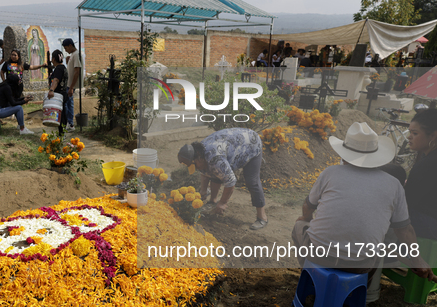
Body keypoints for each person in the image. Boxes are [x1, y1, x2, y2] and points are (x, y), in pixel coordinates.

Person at [292, 122, 434, 281]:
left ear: (344, 154)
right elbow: (405, 230)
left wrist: (306, 218)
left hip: (319, 257)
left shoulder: (330, 173)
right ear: (377, 156)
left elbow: (308, 206)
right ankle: (357, 291)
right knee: (377, 250)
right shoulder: (394, 185)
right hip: (361, 265)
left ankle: (310, 275)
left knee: (299, 226)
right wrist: (417, 260)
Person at [177, 128, 268, 230]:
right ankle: (212, 201)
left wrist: (223, 203)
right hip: (231, 146)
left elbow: (231, 181)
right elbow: (205, 171)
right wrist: (203, 190)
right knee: (213, 170)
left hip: (250, 144)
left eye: (195, 166)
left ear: (198, 158)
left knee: (252, 181)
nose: (197, 169)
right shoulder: (199, 152)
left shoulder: (215, 158)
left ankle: (262, 217)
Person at [405, 108, 437, 239]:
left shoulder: (427, 165)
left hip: (428, 226)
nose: (409, 137)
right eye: (410, 132)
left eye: (415, 133)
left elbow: (407, 202)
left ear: (433, 136)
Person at [47, 49, 68, 137]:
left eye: (52, 58)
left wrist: (51, 90)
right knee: (62, 114)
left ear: (54, 59)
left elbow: (56, 80)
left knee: (61, 115)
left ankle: (61, 134)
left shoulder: (59, 69)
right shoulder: (62, 67)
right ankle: (62, 133)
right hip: (63, 94)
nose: (51, 60)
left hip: (59, 95)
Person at [62, 38, 81, 132]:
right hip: (69, 84)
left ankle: (71, 124)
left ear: (70, 45)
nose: (66, 50)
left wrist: (72, 87)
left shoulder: (76, 54)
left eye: (66, 48)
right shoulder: (73, 55)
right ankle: (68, 123)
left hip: (70, 85)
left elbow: (77, 71)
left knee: (69, 104)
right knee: (67, 103)